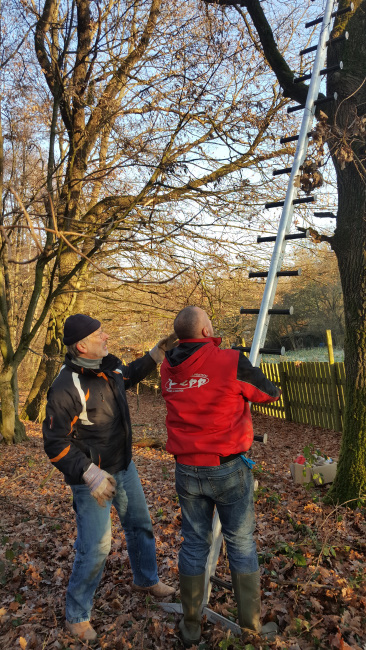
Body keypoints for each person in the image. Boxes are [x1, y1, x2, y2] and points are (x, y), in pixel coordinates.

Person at [42, 314, 176, 642]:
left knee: (140, 526)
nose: (107, 337)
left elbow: (126, 376)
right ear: (81, 345)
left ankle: (146, 580)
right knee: (96, 546)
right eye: (100, 334)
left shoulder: (107, 367)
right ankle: (76, 615)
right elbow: (54, 442)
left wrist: (154, 355)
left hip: (123, 467)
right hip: (92, 479)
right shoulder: (64, 387)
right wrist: (89, 473)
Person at [160, 306, 281, 646]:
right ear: (206, 329)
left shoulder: (167, 369)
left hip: (186, 469)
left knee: (195, 543)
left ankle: (191, 627)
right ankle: (252, 627)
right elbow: (269, 393)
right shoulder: (230, 361)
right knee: (240, 542)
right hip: (226, 468)